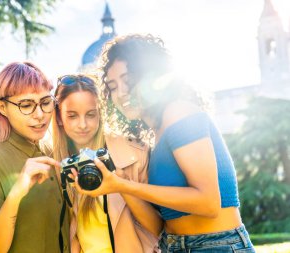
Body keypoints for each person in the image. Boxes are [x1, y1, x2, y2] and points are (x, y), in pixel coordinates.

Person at [73, 34, 256, 252]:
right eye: (112, 86)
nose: (121, 93)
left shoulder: (179, 112)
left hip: (215, 245)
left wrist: (126, 185)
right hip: (174, 245)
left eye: (128, 80)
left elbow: (208, 203)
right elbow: (159, 226)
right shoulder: (157, 133)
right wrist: (121, 184)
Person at [0, 62, 70, 253]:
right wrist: (16, 194)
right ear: (2, 107)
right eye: (26, 105)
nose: (40, 115)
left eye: (45, 102)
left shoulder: (54, 152)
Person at [51, 74, 161, 253]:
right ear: (58, 117)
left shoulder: (135, 154)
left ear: (100, 113)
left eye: (91, 114)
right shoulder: (55, 165)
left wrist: (123, 186)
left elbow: (158, 228)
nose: (83, 124)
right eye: (72, 116)